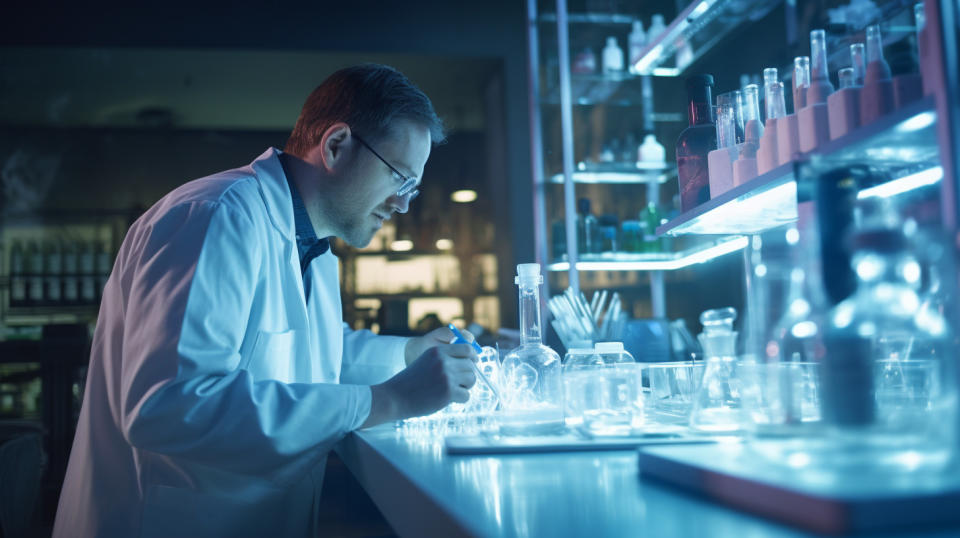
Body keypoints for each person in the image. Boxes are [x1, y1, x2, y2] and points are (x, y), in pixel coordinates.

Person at [53, 64, 478, 537]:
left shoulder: (313, 247)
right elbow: (168, 405)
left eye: (412, 188)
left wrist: (408, 354)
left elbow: (305, 357)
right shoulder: (215, 216)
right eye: (399, 177)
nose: (402, 204)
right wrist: (388, 400)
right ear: (336, 146)